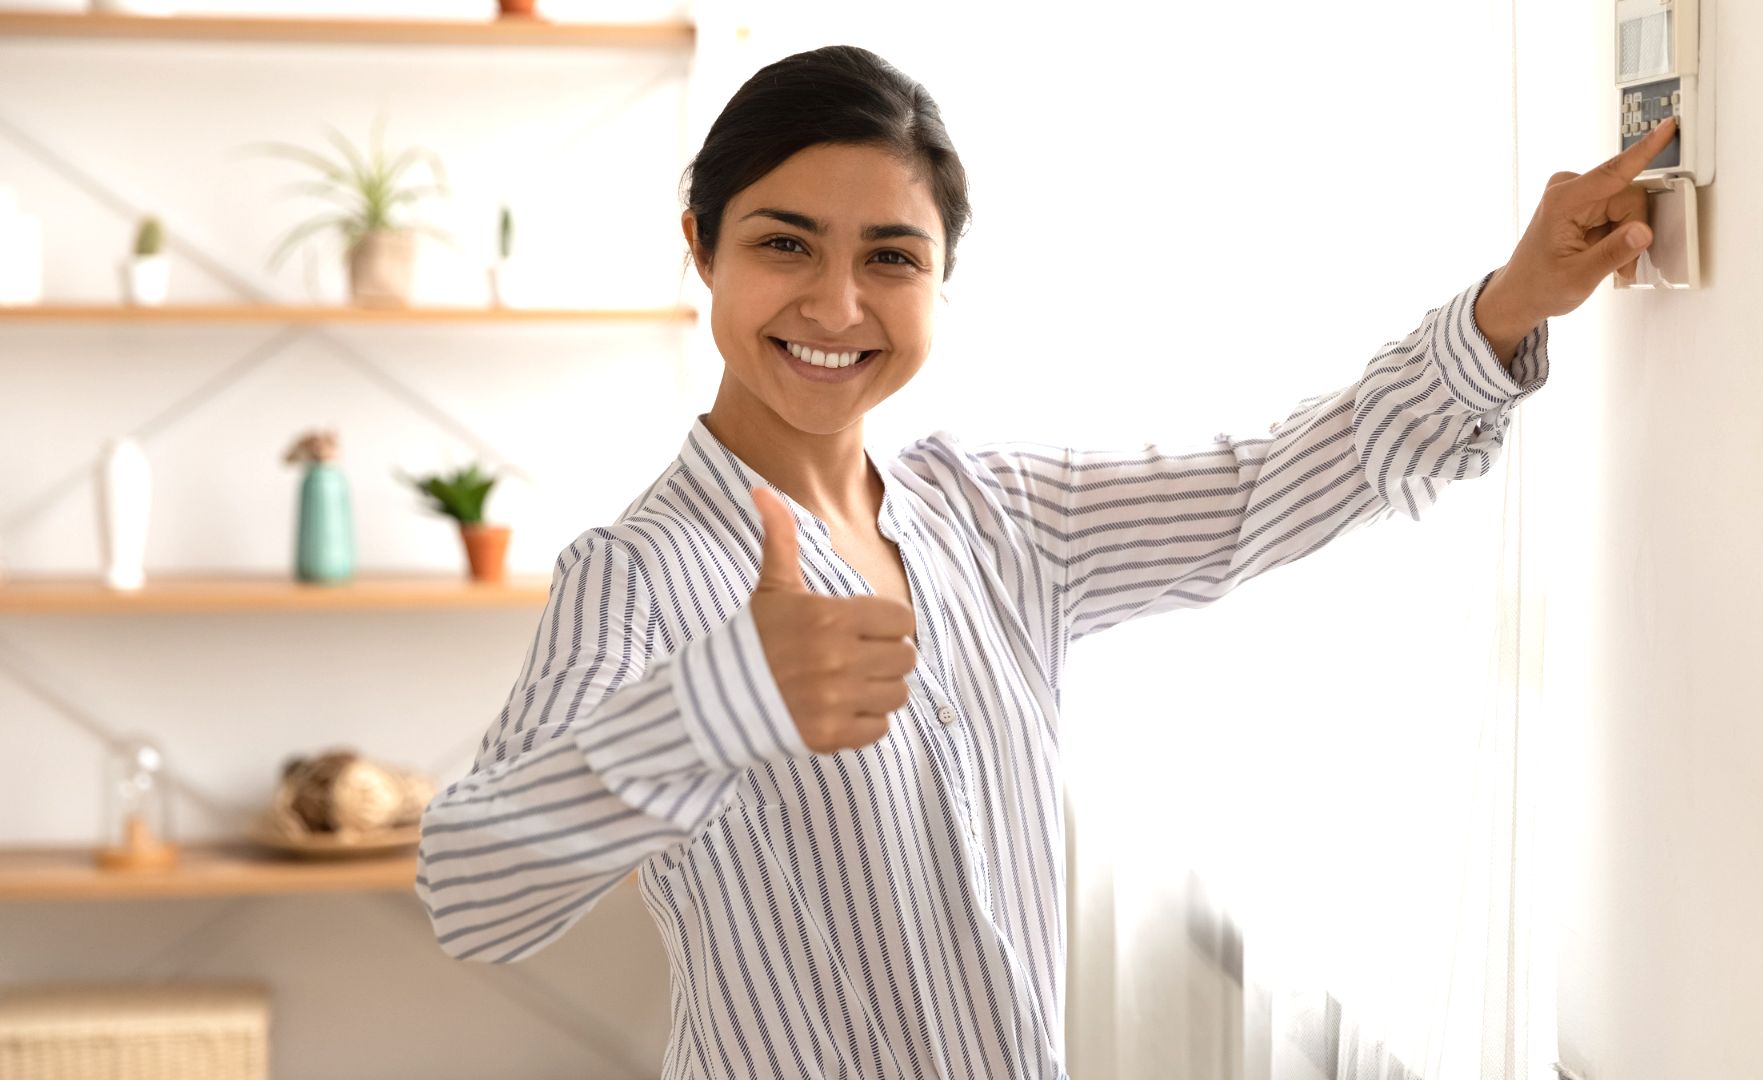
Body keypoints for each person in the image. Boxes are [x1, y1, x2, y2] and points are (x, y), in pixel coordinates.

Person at [414, 44, 1678, 1080]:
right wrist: (726, 696)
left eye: (892, 258)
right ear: (703, 249)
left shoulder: (993, 512)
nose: (839, 306)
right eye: (785, 244)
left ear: (943, 280)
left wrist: (1511, 303)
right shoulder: (637, 575)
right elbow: (472, 891)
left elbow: (1261, 490)